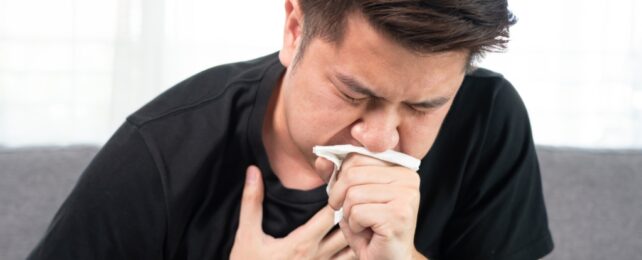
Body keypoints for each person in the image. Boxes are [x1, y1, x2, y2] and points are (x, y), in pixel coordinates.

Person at [28, 0, 554, 259]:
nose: (380, 139)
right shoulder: (160, 152)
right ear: (294, 28)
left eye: (423, 107)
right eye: (355, 94)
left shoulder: (489, 119)